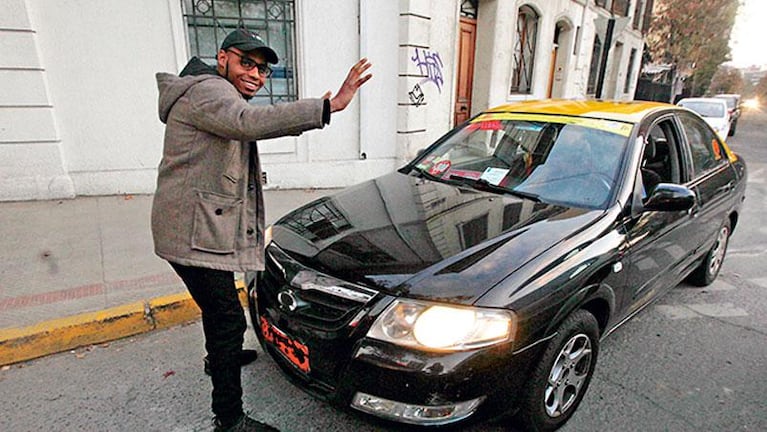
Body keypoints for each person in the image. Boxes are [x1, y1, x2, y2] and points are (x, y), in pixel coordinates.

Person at [151, 28, 372, 432]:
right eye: (246, 63)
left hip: (194, 227)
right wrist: (329, 106)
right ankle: (230, 419)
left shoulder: (211, 92)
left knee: (218, 312)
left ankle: (220, 356)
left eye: (263, 69)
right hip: (191, 235)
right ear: (222, 60)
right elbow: (248, 122)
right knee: (227, 320)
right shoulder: (209, 92)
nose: (256, 74)